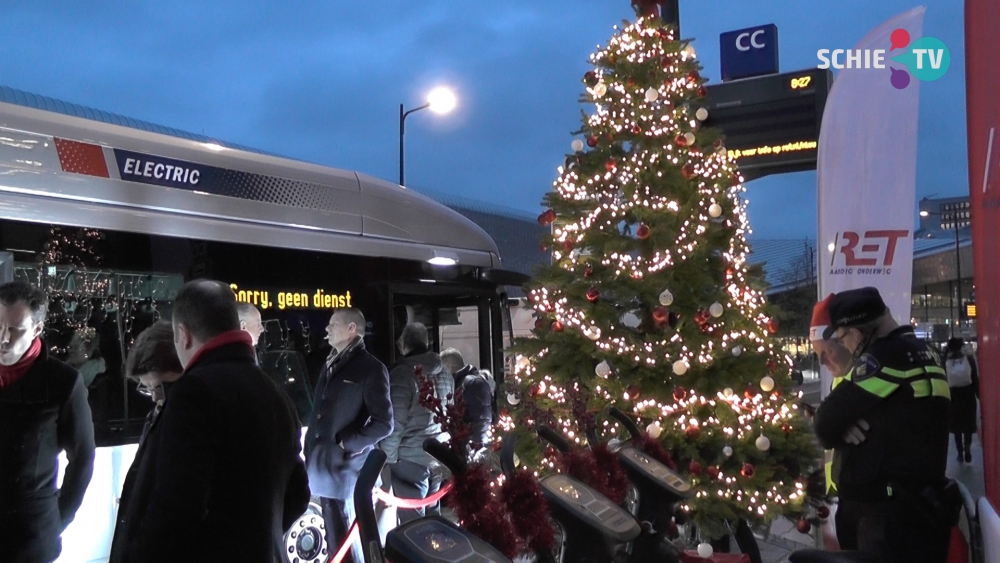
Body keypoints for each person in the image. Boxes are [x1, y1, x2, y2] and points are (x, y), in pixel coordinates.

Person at [122, 280, 310, 562]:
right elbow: (298, 495)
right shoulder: (276, 394)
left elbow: (175, 512)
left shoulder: (194, 392)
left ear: (183, 335)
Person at [813, 287, 952, 563]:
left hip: (887, 518)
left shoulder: (885, 357)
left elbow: (826, 423)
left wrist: (841, 425)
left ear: (857, 333)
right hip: (919, 508)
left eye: (843, 338)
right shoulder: (925, 351)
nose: (848, 348)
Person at [0, 280, 96, 563]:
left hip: (29, 536)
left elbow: (83, 457)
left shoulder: (62, 381)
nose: (4, 338)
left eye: (15, 330)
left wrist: (57, 520)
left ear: (37, 330)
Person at [305, 308, 392, 563]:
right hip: (325, 468)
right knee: (336, 542)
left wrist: (347, 443)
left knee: (348, 544)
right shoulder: (331, 361)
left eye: (333, 324)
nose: (327, 329)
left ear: (351, 329)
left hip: (346, 474)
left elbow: (384, 423)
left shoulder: (371, 368)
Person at [109, 320, 184, 563]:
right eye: (148, 390)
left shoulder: (188, 423)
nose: (155, 399)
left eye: (160, 389)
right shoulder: (156, 416)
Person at [382, 322, 454, 523]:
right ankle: (437, 552)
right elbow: (450, 416)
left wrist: (387, 458)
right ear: (426, 342)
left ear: (404, 344)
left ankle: (419, 554)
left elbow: (395, 422)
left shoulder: (401, 375)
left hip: (410, 459)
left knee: (413, 523)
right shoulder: (446, 374)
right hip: (438, 456)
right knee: (433, 515)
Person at [808, 294, 859, 551]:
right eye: (817, 354)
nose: (822, 362)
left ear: (847, 341)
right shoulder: (842, 378)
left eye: (826, 351)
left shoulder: (862, 381)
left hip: (862, 501)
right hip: (841, 496)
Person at [440, 348, 495, 448]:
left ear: (448, 366)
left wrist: (473, 447)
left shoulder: (471, 383)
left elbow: (481, 420)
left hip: (469, 448)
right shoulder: (466, 382)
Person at [944, 336, 979, 464]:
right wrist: (978, 394)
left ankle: (959, 453)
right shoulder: (969, 359)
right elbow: (974, 377)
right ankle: (967, 447)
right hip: (968, 394)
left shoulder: (945, 361)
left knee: (956, 426)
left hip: (953, 396)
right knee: (968, 424)